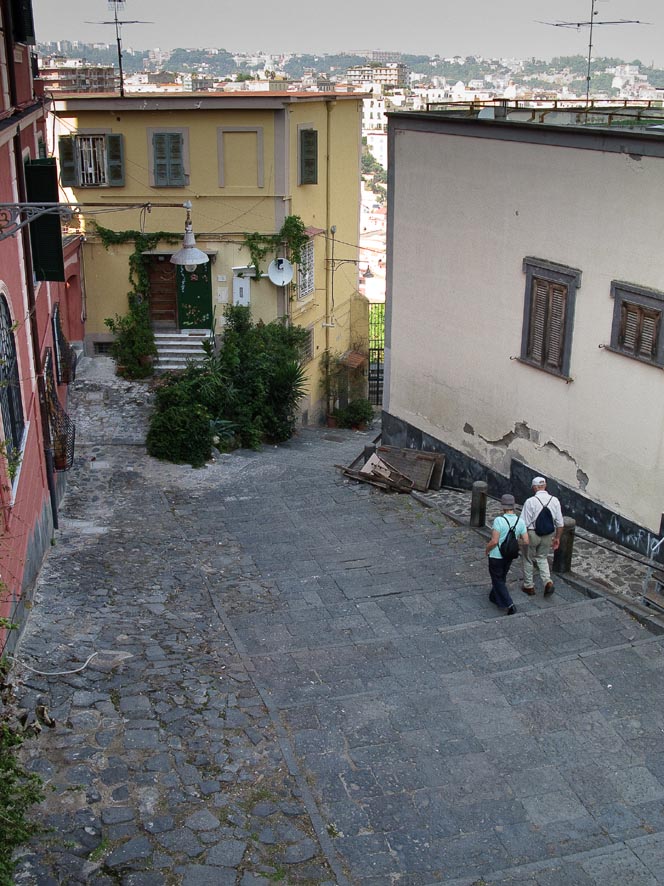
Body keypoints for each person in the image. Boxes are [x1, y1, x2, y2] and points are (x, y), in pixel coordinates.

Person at [485, 493, 529, 615]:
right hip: (509, 555)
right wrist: (515, 544)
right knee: (502, 576)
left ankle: (509, 604)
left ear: (502, 506)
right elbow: (526, 541)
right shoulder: (520, 521)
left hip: (496, 554)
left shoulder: (499, 520)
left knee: (497, 578)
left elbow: (494, 541)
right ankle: (494, 596)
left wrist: (487, 549)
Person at [521, 476, 564, 596]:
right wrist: (557, 538)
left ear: (534, 488)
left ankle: (529, 586)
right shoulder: (555, 500)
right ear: (545, 486)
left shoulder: (530, 501)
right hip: (548, 534)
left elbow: (524, 523)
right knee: (542, 557)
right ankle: (547, 581)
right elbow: (560, 523)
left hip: (532, 533)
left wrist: (521, 537)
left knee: (528, 558)